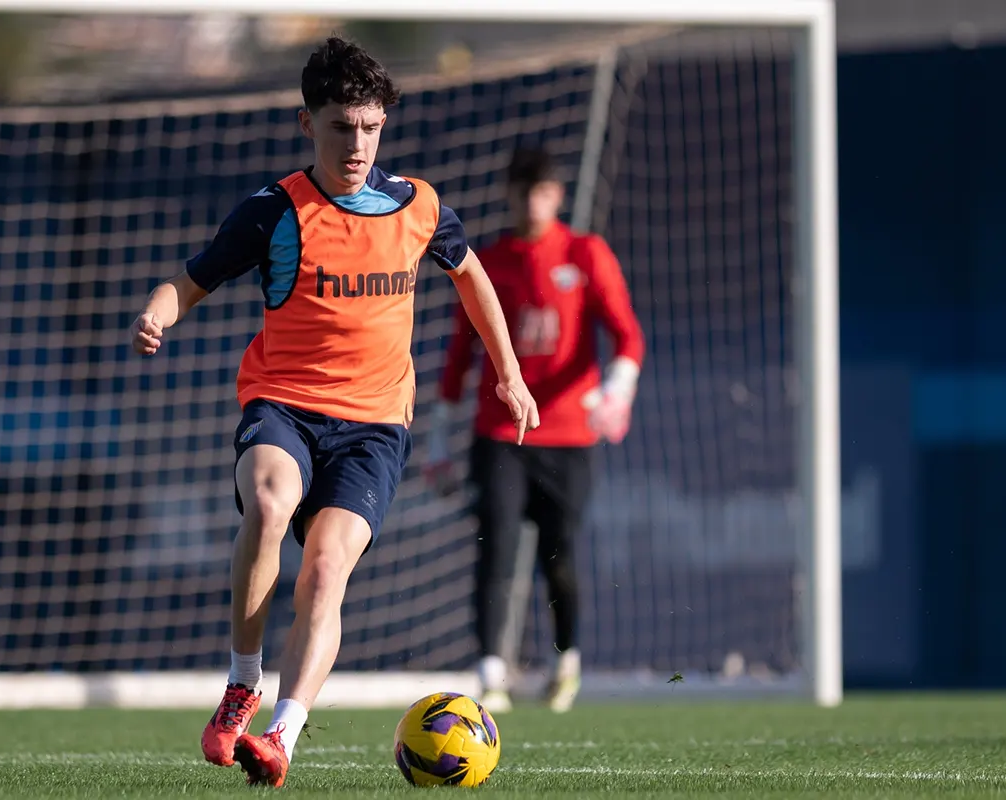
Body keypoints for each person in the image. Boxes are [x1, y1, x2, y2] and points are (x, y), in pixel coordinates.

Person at [129, 37, 539, 788]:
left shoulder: (417, 207)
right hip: (283, 405)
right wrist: (157, 315)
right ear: (306, 122)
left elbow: (473, 277)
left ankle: (282, 734)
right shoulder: (274, 210)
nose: (357, 144)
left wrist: (509, 375)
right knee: (268, 500)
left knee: (324, 569)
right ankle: (242, 681)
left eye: (371, 127)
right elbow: (186, 284)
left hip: (376, 428)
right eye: (341, 126)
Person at [427, 145, 645, 714]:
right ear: (510, 195)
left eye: (543, 191)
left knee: (560, 554)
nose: (533, 202)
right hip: (500, 434)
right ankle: (491, 673)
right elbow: (459, 357)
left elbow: (628, 336)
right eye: (523, 191)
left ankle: (566, 662)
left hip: (569, 435)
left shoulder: (585, 253)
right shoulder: (489, 262)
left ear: (557, 195)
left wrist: (616, 395)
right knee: (495, 545)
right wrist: (437, 443)